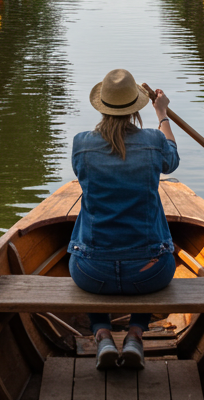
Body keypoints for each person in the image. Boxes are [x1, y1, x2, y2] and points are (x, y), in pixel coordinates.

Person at [68, 69, 179, 370]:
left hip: (91, 272)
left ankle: (102, 335)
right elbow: (172, 161)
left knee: (81, 253)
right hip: (149, 273)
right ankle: (135, 335)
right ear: (135, 108)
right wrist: (163, 114)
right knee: (169, 255)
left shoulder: (81, 144)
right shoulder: (155, 141)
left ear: (101, 105)